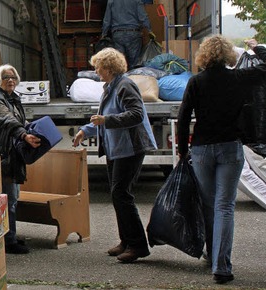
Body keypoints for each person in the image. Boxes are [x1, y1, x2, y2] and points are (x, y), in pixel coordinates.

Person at [177, 36, 266, 284]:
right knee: (225, 206)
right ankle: (221, 266)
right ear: (228, 54)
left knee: (209, 204)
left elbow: (184, 116)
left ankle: (211, 254)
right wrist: (256, 47)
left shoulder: (196, 82)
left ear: (204, 55)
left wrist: (183, 149)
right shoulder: (239, 78)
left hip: (202, 149)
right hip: (230, 148)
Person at [72, 48, 157, 263]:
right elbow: (103, 117)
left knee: (122, 194)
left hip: (131, 148)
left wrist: (106, 121)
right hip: (116, 149)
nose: (96, 71)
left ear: (108, 68)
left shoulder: (125, 85)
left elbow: (136, 114)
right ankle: (126, 241)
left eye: (98, 67)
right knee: (118, 194)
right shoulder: (110, 87)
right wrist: (85, 130)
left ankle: (138, 246)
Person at [0, 64, 41, 254]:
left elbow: (19, 121)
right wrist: (24, 135)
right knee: (6, 199)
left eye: (13, 77)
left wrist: (32, 128)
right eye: (6, 77)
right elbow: (6, 120)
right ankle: (8, 241)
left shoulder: (12, 98)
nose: (11, 80)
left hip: (10, 155)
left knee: (11, 198)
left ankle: (9, 235)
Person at [102, 0, 153, 68]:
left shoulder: (111, 1)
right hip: (133, 33)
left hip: (117, 34)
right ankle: (133, 76)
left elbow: (107, 20)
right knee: (134, 63)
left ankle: (121, 77)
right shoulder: (137, 1)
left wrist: (104, 33)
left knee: (119, 62)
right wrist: (150, 30)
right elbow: (143, 17)